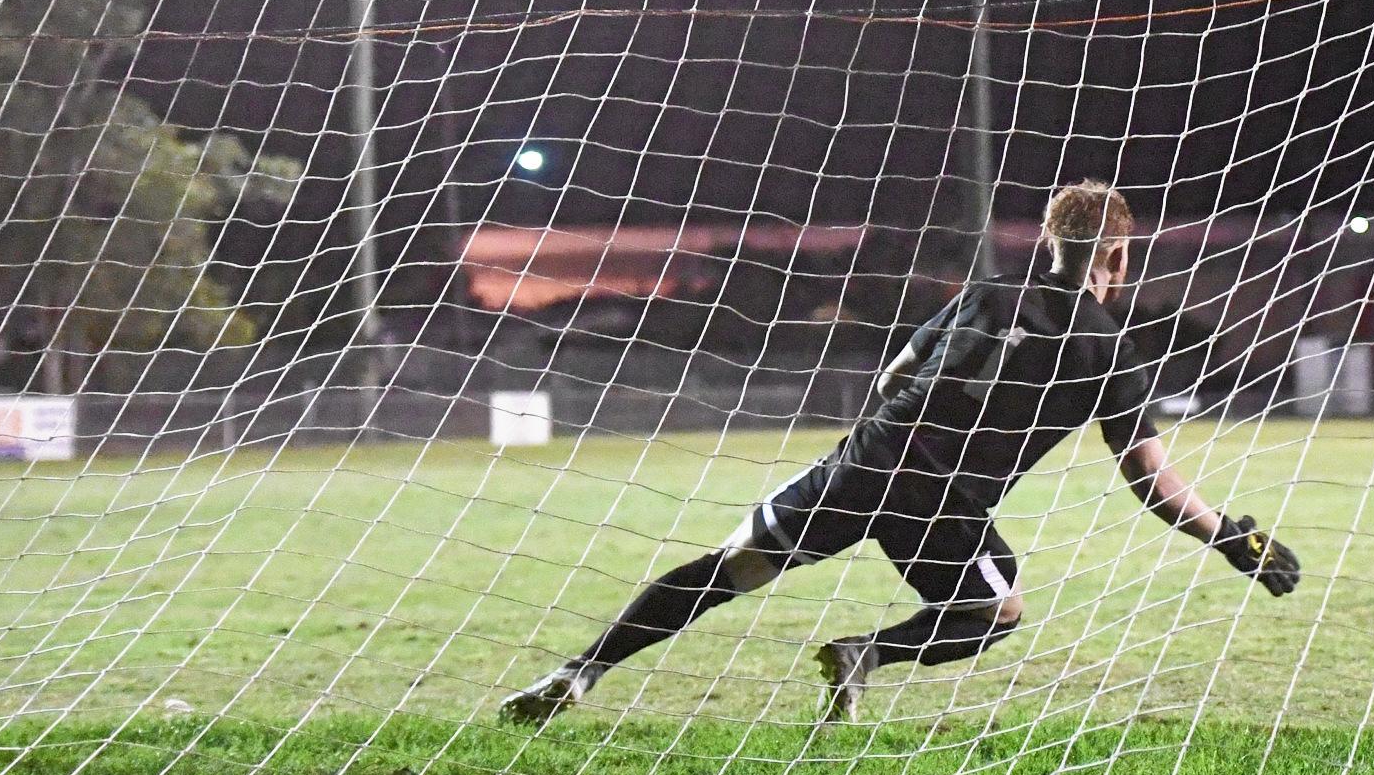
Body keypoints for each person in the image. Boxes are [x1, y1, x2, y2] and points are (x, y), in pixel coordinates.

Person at [497, 180, 1301, 727]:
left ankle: (578, 672)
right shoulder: (1107, 347)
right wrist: (1228, 533)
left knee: (730, 567)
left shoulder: (987, 291)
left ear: (1050, 242)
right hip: (942, 501)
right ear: (1119, 258)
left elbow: (896, 373)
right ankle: (865, 651)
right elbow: (1149, 478)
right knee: (997, 610)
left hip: (871, 457)